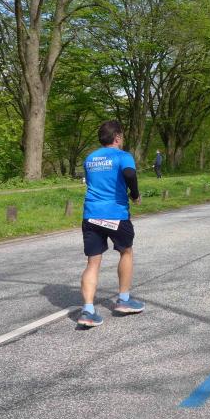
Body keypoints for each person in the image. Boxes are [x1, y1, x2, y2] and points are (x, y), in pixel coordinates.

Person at [77, 120, 144, 327]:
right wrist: (135, 195)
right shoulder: (123, 156)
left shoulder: (90, 158)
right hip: (115, 214)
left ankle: (88, 310)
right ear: (117, 137)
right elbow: (130, 173)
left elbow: (92, 182)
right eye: (121, 136)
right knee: (126, 252)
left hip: (91, 214)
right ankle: (124, 300)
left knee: (92, 262)